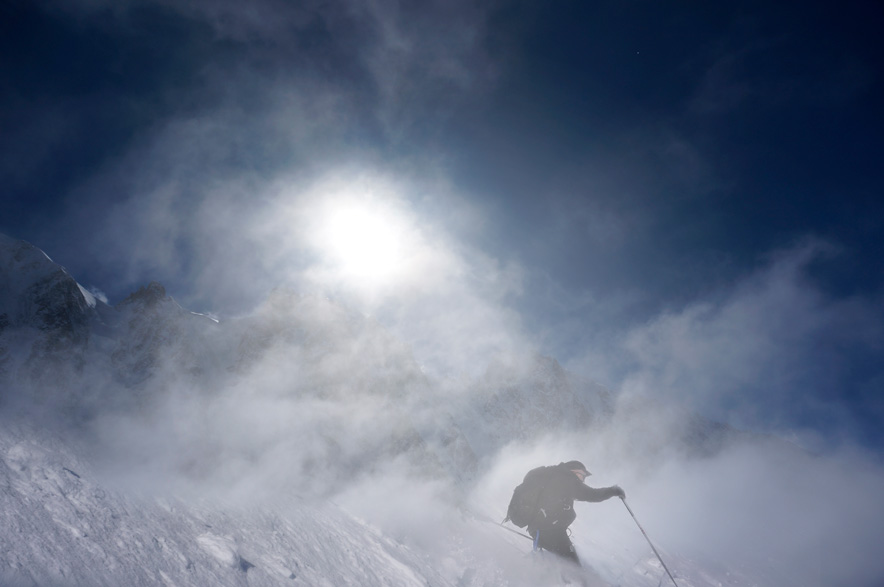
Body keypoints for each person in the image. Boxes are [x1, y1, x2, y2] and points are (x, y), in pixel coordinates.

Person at [522, 460, 625, 566]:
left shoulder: (555, 477)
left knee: (559, 560)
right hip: (551, 530)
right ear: (575, 471)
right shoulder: (568, 480)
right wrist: (613, 491)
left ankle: (530, 571)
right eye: (583, 476)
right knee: (572, 563)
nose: (583, 480)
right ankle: (577, 581)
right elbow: (592, 494)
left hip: (538, 528)